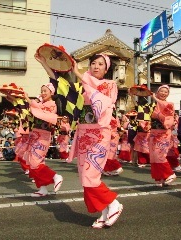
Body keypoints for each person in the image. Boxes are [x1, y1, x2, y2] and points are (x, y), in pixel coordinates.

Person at [67, 54, 123, 228]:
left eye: (101, 64)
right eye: (93, 63)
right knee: (85, 177)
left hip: (99, 135)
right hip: (84, 134)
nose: (96, 66)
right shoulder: (83, 85)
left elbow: (96, 88)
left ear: (106, 70)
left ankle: (113, 203)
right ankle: (104, 210)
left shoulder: (109, 85)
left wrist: (77, 72)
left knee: (91, 175)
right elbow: (60, 86)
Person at [22, 74, 63, 197]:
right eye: (41, 91)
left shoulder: (51, 104)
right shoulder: (43, 104)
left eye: (45, 91)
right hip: (36, 134)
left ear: (51, 92)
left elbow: (38, 108)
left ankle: (55, 176)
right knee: (32, 161)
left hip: (43, 135)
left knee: (35, 162)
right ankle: (42, 188)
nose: (43, 93)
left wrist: (29, 99)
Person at [149, 85, 176, 187]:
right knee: (154, 156)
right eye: (161, 91)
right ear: (157, 92)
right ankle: (159, 177)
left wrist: (155, 98)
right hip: (154, 132)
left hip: (164, 133)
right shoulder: (153, 104)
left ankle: (170, 174)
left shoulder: (170, 104)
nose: (163, 93)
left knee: (160, 155)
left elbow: (165, 109)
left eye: (166, 92)